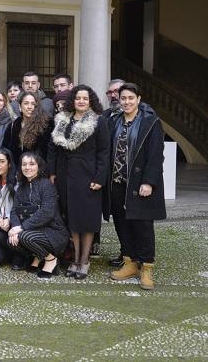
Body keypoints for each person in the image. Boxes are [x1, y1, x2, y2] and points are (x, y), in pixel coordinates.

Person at [48, 85, 109, 280]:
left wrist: (100, 178)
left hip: (89, 177)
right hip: (65, 177)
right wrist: (52, 173)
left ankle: (84, 261)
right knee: (73, 220)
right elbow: (54, 150)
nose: (81, 101)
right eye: (78, 98)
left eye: (85, 98)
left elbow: (104, 152)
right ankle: (74, 260)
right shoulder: (62, 121)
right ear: (72, 101)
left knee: (87, 221)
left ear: (91, 101)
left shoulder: (99, 122)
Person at [108, 83, 165, 290]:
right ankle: (130, 262)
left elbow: (156, 156)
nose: (127, 102)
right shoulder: (114, 121)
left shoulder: (151, 122)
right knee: (122, 223)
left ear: (139, 99)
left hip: (139, 183)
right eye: (123, 98)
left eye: (131, 98)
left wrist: (149, 182)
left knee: (142, 225)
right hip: (117, 182)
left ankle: (147, 267)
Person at [8, 152, 69, 278]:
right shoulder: (21, 187)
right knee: (11, 241)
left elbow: (47, 212)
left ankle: (51, 260)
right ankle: (38, 256)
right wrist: (15, 227)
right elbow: (14, 211)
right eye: (24, 164)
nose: (27, 167)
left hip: (54, 232)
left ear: (38, 166)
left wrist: (22, 228)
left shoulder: (46, 185)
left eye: (32, 164)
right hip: (33, 231)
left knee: (25, 236)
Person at [102, 78, 125, 267]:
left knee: (134, 220)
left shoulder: (142, 114)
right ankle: (125, 253)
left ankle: (138, 255)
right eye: (109, 92)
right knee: (118, 217)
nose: (113, 95)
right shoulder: (106, 115)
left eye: (116, 91)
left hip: (129, 177)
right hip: (112, 177)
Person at [3, 91, 53, 167]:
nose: (30, 107)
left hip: (38, 171)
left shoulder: (45, 126)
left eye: (33, 104)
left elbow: (49, 153)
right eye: (26, 103)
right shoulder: (13, 126)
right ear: (20, 107)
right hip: (17, 172)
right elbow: (6, 150)